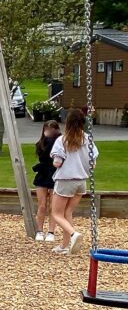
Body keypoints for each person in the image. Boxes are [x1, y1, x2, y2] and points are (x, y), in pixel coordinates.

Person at [49, 107, 99, 255]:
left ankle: (73, 234)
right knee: (67, 212)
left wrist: (56, 162)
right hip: (80, 181)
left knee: (56, 214)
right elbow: (93, 163)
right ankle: (65, 245)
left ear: (67, 122)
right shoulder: (87, 139)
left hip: (66, 180)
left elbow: (57, 163)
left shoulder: (62, 140)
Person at [31, 119, 62, 243]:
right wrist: (48, 140)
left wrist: (54, 139)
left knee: (53, 206)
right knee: (42, 205)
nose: (47, 132)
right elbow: (43, 156)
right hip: (43, 174)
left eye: (50, 130)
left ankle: (51, 231)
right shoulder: (41, 143)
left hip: (54, 173)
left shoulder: (59, 142)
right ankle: (39, 230)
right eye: (46, 129)